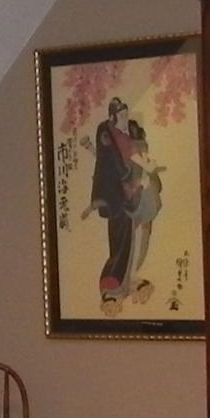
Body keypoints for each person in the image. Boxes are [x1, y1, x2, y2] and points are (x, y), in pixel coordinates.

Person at [84, 96, 161, 311]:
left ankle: (132, 278)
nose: (126, 119)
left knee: (138, 236)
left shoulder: (127, 136)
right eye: (122, 116)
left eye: (127, 115)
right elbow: (115, 165)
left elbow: (137, 157)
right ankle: (113, 287)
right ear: (113, 117)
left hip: (133, 196)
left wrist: (147, 171)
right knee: (120, 244)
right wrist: (135, 177)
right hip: (119, 199)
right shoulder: (110, 137)